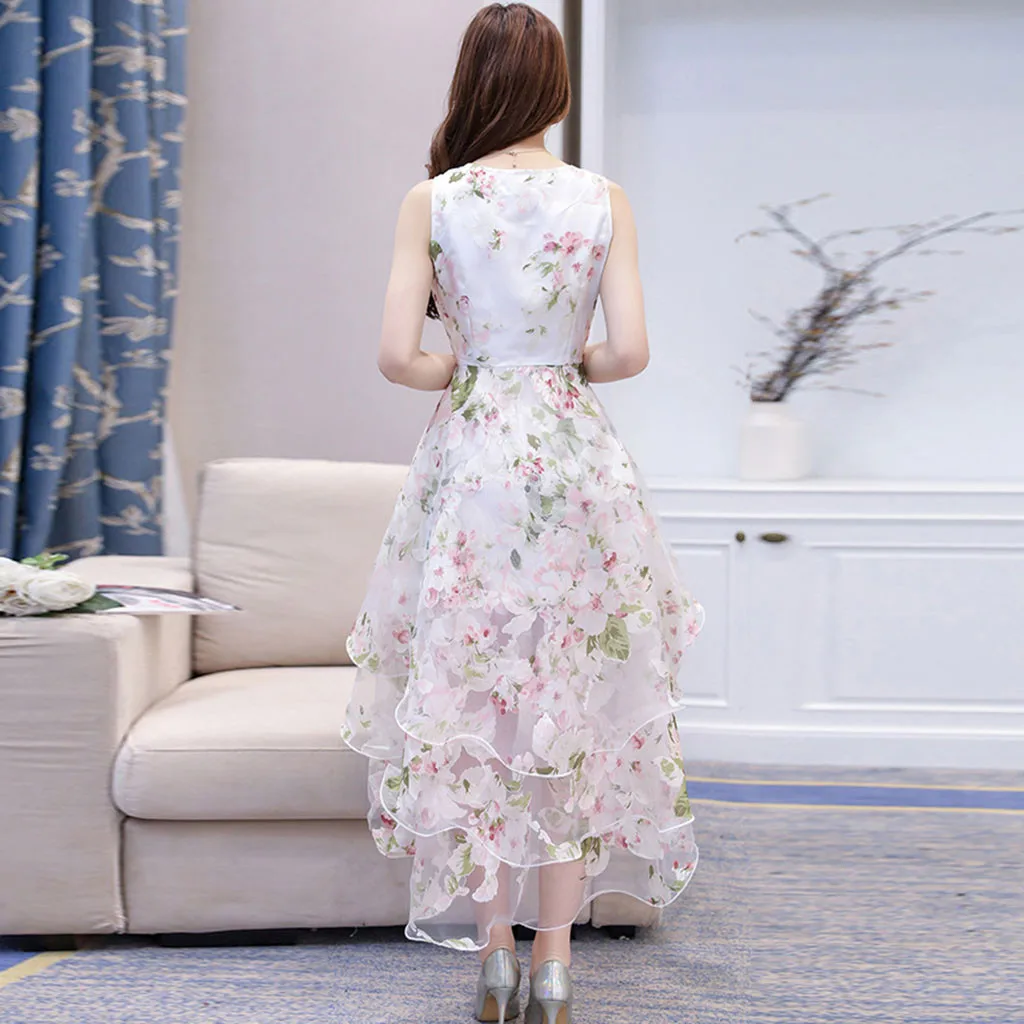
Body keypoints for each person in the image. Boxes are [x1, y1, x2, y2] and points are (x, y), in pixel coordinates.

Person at [342, 5, 705, 1022]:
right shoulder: (601, 197)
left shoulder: (434, 198)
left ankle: (493, 950)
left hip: (471, 468)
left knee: (478, 702)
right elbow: (630, 352)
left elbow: (397, 357)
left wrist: (472, 367)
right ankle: (555, 960)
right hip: (575, 463)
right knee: (574, 703)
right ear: (555, 85)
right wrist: (556, 363)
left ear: (472, 80)